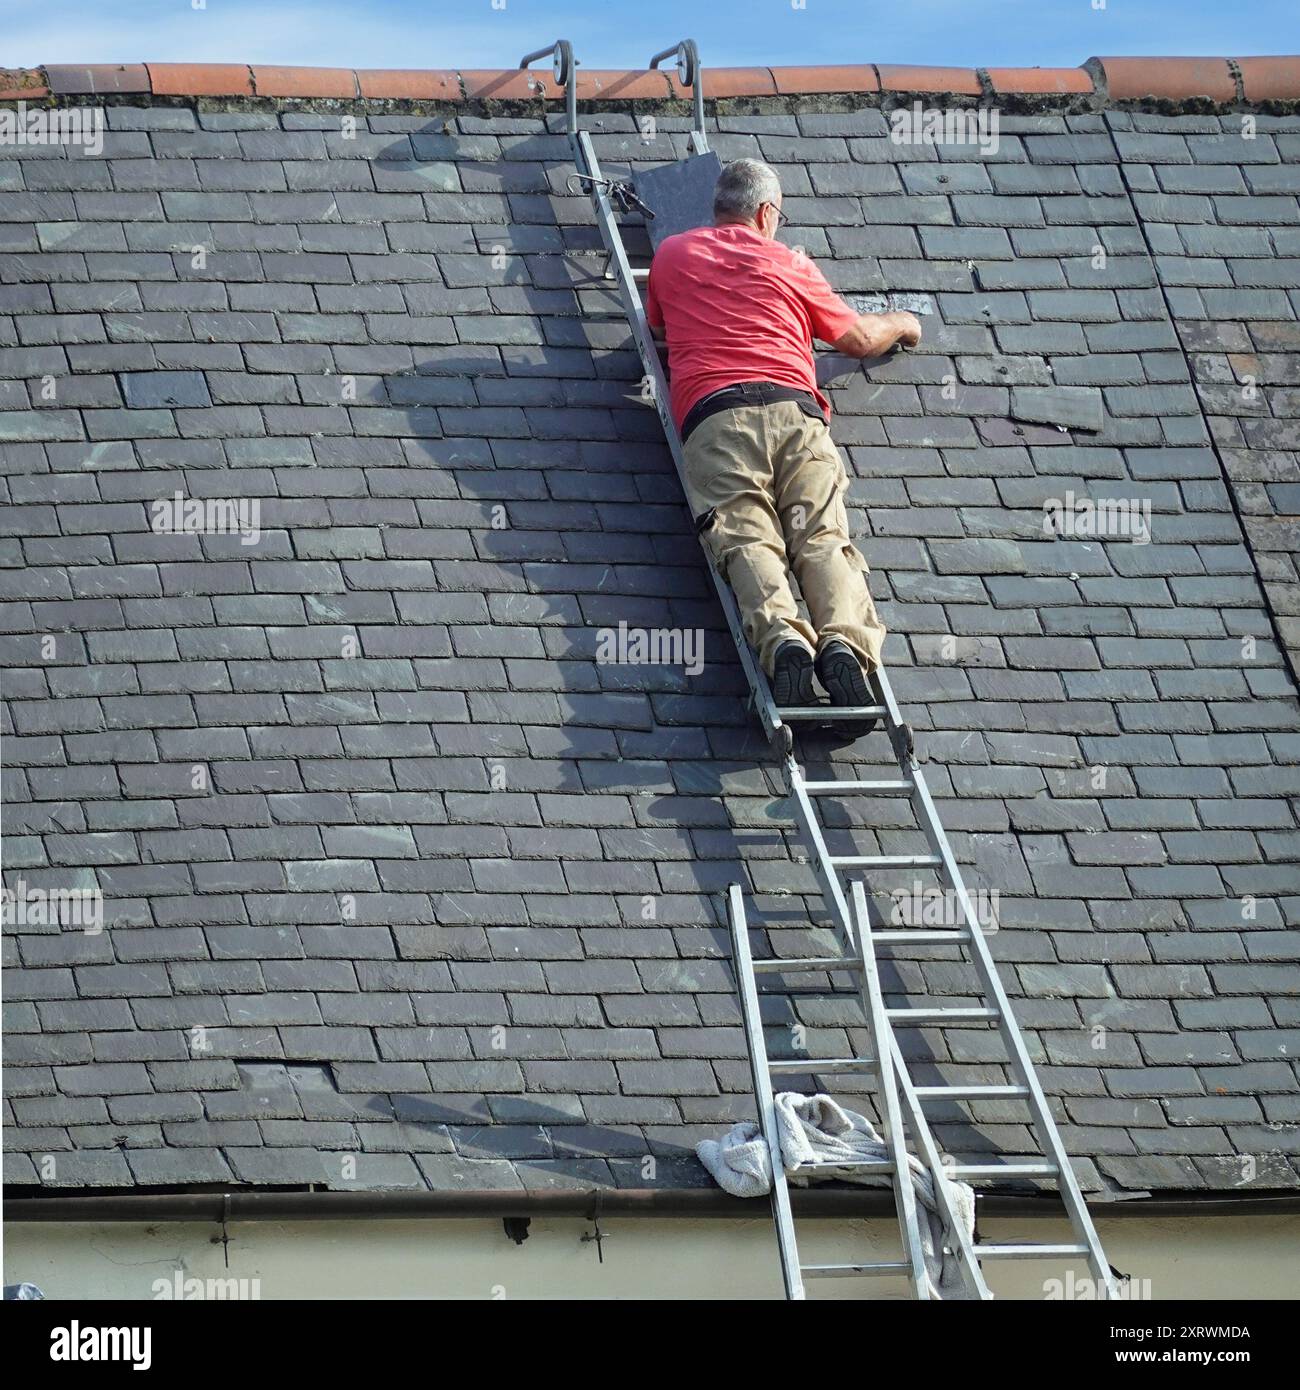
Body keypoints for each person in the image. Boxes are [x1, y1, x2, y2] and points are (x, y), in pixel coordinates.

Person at [646, 158, 921, 710]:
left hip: (717, 417)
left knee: (747, 537)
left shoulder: (671, 254)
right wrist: (904, 322)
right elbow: (858, 338)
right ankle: (843, 644)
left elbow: (658, 328)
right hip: (795, 415)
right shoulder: (790, 263)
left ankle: (785, 642)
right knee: (820, 535)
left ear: (718, 207)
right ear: (767, 212)